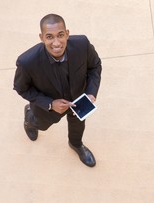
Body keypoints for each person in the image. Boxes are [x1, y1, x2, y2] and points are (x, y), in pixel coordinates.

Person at [13, 14, 102, 167]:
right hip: (47, 109)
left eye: (60, 35)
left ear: (67, 33)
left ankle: (76, 144)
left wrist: (91, 92)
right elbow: (21, 88)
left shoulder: (82, 45)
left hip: (79, 102)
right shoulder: (27, 62)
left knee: (78, 126)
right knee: (40, 125)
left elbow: (95, 66)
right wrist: (49, 104)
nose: (56, 43)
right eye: (49, 37)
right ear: (41, 37)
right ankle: (29, 118)